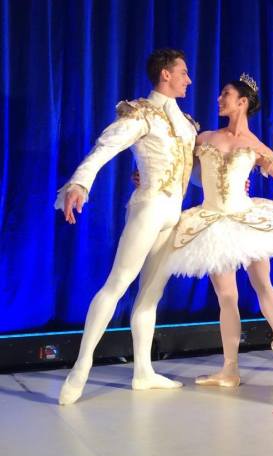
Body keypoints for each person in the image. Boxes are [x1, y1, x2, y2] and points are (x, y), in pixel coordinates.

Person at [133, 74, 273, 387]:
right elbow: (177, 170)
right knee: (227, 295)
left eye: (225, 94)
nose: (219, 99)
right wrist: (148, 177)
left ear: (242, 102)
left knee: (262, 282)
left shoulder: (255, 147)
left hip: (247, 218)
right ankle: (230, 368)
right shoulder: (204, 139)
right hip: (213, 221)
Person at [55, 49, 198, 405]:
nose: (188, 79)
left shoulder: (186, 122)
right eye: (183, 72)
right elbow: (106, 146)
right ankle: (82, 366)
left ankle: (143, 371)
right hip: (149, 206)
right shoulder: (142, 113)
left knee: (151, 295)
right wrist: (80, 183)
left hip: (173, 213)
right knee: (118, 283)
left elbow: (189, 169)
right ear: (165, 74)